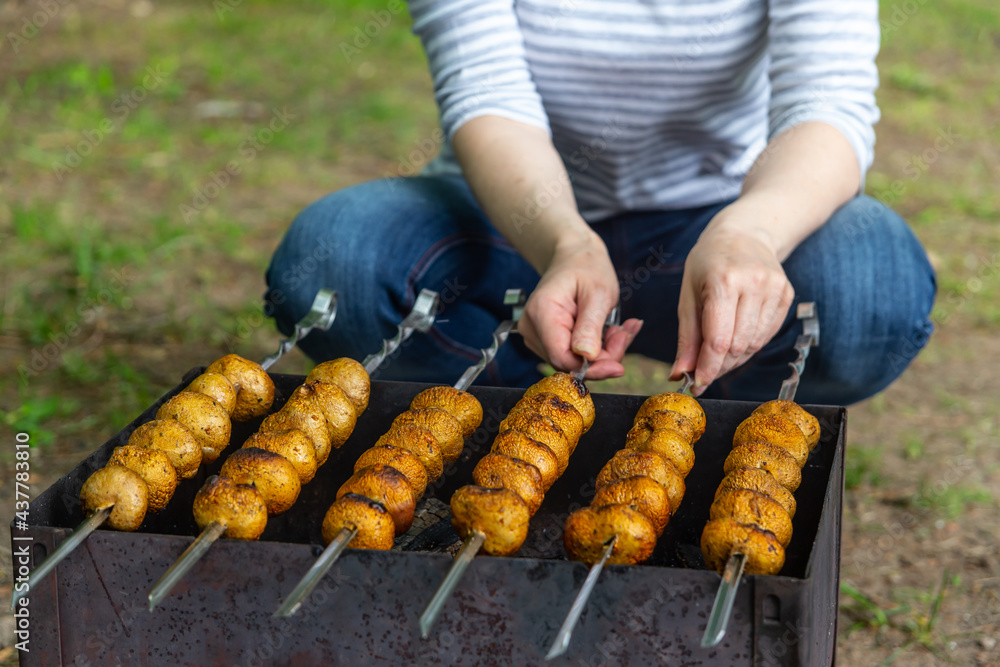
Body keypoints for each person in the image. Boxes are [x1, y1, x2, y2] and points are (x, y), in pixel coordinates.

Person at [265, 0, 936, 404]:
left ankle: (729, 434)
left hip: (715, 224)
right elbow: (487, 98)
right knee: (335, 262)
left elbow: (828, 106)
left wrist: (750, 235)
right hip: (515, 223)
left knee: (872, 284)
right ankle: (500, 414)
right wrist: (564, 241)